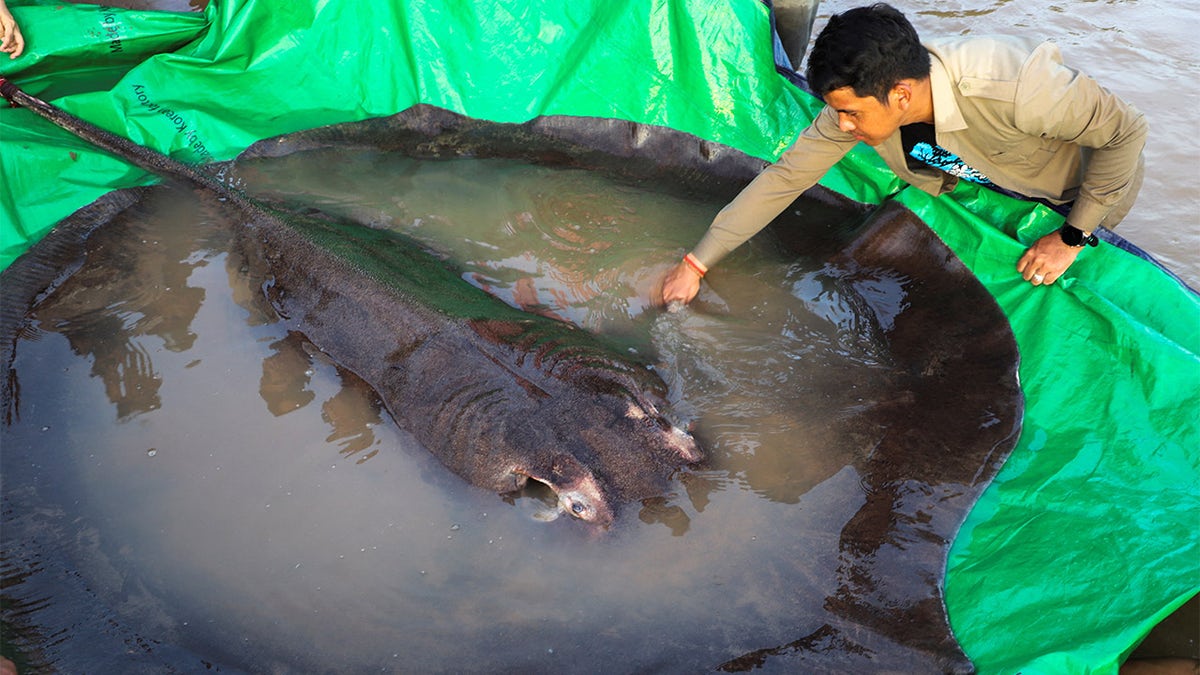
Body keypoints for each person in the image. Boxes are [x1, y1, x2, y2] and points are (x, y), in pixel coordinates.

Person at [660, 2, 1147, 304]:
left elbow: (1125, 134)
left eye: (850, 113)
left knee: (1066, 286)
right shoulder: (860, 104)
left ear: (900, 95)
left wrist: (1074, 236)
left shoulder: (1013, 84)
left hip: (1075, 192)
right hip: (981, 180)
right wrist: (697, 262)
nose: (842, 126)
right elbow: (784, 178)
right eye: (837, 112)